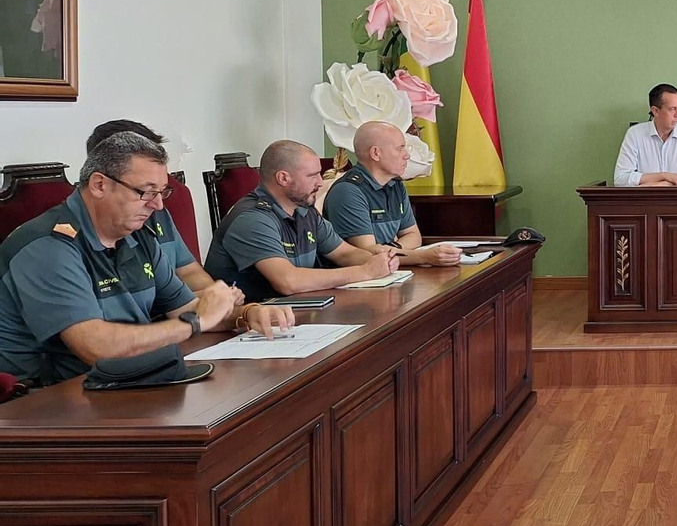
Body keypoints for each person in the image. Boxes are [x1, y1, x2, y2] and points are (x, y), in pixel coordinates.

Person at [0, 133, 292, 386]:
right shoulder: (48, 247)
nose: (158, 205)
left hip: (122, 381)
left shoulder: (138, 236)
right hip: (46, 403)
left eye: (161, 192)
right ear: (100, 185)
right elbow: (95, 347)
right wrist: (194, 323)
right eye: (146, 192)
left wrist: (246, 314)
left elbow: (186, 308)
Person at [204, 139, 398, 302]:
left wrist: (379, 261)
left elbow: (344, 253)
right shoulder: (253, 219)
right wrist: (365, 272)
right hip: (246, 323)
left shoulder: (304, 210)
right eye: (312, 175)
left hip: (294, 313)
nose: (320, 182)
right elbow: (288, 281)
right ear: (283, 178)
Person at [84, 119, 220, 294]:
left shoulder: (158, 212)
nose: (158, 204)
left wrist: (216, 294)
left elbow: (189, 271)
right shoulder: (90, 233)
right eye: (146, 189)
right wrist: (200, 301)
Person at [323, 121, 462, 267]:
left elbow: (413, 236)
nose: (407, 155)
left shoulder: (395, 185)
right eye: (400, 149)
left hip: (389, 269)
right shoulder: (348, 191)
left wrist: (392, 250)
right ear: (375, 153)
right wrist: (424, 257)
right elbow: (367, 254)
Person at [613, 83, 677, 186]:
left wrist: (665, 184)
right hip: (645, 197)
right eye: (672, 109)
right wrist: (663, 175)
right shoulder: (635, 134)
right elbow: (620, 179)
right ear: (655, 111)